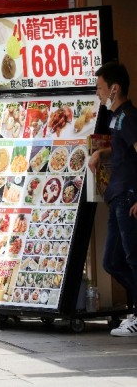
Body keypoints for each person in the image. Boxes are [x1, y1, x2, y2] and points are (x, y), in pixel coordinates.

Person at [88, 62, 137, 337]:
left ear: (114, 88)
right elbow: (123, 149)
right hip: (117, 198)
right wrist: (101, 153)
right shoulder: (116, 117)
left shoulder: (129, 117)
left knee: (132, 259)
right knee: (112, 262)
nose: (98, 93)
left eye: (100, 88)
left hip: (129, 197)